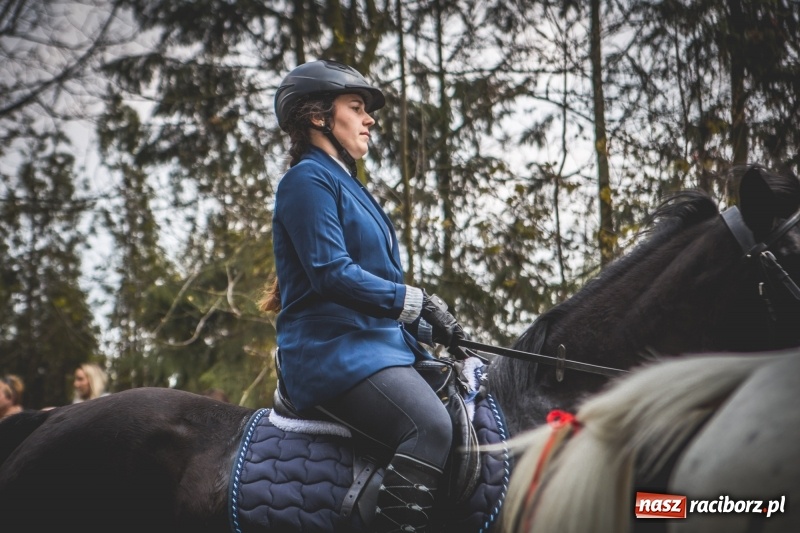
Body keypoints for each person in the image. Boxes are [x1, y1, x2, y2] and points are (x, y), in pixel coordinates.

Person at [261, 59, 467, 532]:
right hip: (332, 352)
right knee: (429, 427)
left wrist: (428, 325)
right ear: (318, 116)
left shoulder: (347, 183)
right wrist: (416, 301)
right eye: (356, 107)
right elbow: (331, 274)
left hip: (374, 347)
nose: (369, 119)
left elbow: (373, 285)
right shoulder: (306, 180)